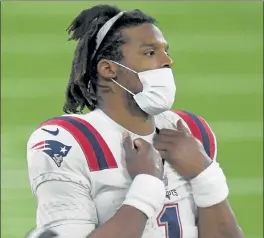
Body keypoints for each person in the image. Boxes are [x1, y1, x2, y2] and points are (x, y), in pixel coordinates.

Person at [26, 4, 244, 238]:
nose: (167, 61)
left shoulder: (191, 131)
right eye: (150, 53)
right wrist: (146, 186)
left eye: (165, 51)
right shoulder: (69, 141)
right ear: (109, 69)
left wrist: (205, 175)